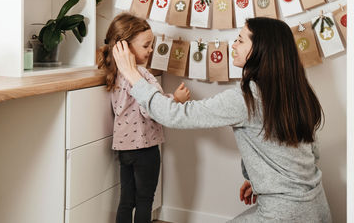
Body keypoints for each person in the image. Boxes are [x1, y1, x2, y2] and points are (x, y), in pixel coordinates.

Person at [112, 17, 332, 222]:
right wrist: (261, 180)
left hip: (285, 212)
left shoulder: (246, 98)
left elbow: (174, 115)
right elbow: (313, 153)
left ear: (260, 49)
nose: (233, 45)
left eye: (240, 40)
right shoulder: (296, 90)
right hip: (317, 207)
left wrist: (132, 74)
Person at [97, 13, 190, 223]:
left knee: (126, 200)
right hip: (145, 147)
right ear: (125, 48)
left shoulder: (115, 74)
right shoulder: (141, 76)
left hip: (124, 148)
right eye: (146, 46)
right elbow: (152, 108)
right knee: (145, 199)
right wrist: (175, 98)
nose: (150, 50)